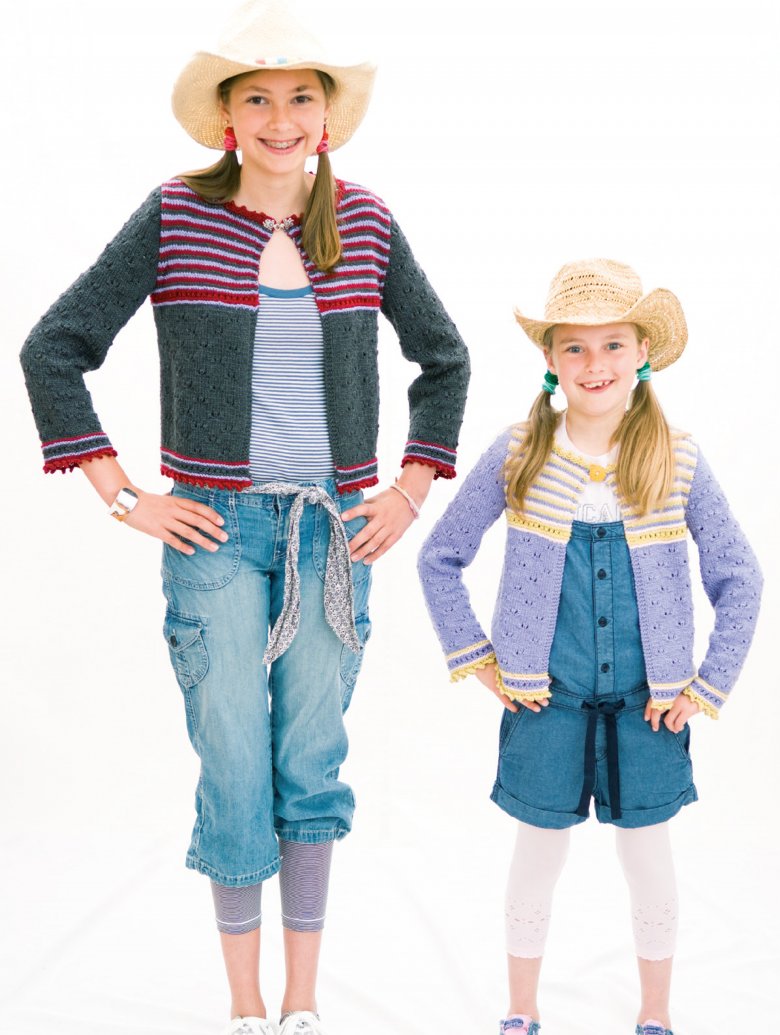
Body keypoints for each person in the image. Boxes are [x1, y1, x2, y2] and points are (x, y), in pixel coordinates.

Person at [19, 2, 469, 1033]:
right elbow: (55, 346)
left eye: (300, 97)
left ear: (326, 115)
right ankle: (245, 1006)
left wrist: (407, 490)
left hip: (332, 535)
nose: (280, 118)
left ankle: (303, 1003)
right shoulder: (177, 214)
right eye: (256, 98)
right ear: (227, 116)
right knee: (232, 768)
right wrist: (124, 495)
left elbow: (443, 358)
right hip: (213, 535)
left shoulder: (364, 221)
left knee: (310, 763)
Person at [417, 258, 762, 1035]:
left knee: (649, 861)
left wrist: (704, 686)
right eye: (574, 346)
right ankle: (521, 1007)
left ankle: (655, 1010)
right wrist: (479, 659)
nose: (594, 362)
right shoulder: (519, 453)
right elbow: (440, 555)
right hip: (547, 700)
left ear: (642, 351)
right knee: (537, 855)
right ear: (550, 358)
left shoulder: (677, 457)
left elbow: (741, 577)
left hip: (652, 706)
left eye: (612, 344)